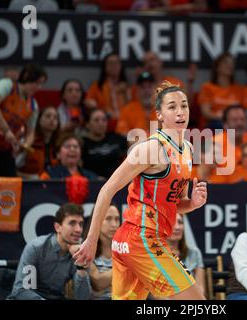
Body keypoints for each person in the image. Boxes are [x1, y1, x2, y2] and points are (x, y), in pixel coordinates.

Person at [73, 81, 208, 300]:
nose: (180, 111)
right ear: (160, 115)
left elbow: (175, 204)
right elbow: (106, 191)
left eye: (184, 105)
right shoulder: (150, 149)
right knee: (197, 303)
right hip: (141, 239)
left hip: (138, 240)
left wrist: (192, 204)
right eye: (172, 106)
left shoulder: (188, 150)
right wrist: (91, 240)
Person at [0, 63, 47, 178]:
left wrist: (24, 146)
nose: (39, 87)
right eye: (37, 83)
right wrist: (7, 131)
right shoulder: (7, 85)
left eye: (41, 84)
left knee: (9, 185)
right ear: (26, 76)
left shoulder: (33, 106)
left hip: (5, 149)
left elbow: (30, 133)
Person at [8, 203, 91, 300]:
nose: (78, 229)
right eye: (72, 223)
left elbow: (83, 297)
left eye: (81, 224)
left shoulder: (80, 252)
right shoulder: (36, 247)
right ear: (57, 227)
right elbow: (21, 290)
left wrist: (80, 266)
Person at [198, 53, 247, 129]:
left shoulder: (242, 89)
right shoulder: (207, 87)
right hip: (217, 121)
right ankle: (229, 139)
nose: (230, 65)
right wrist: (222, 116)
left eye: (232, 63)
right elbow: (206, 113)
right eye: (226, 62)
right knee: (223, 126)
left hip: (237, 121)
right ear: (217, 67)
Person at [84, 204, 121, 300]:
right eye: (108, 219)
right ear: (96, 221)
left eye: (117, 219)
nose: (114, 224)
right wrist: (129, 268)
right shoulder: (85, 250)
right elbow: (98, 282)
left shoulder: (126, 248)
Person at [85, 53, 130, 128]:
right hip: (104, 123)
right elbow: (88, 102)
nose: (114, 66)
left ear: (121, 66)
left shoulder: (128, 87)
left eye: (116, 63)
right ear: (105, 67)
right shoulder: (97, 86)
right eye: (110, 63)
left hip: (125, 123)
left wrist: (126, 94)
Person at [82, 109, 128, 179]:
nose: (101, 123)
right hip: (95, 183)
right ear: (87, 124)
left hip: (118, 181)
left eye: (104, 120)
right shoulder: (83, 143)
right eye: (96, 120)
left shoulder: (116, 138)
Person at [167, 213, 205, 294]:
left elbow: (200, 288)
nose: (177, 227)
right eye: (172, 223)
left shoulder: (194, 253)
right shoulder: (152, 254)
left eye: (180, 223)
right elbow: (154, 294)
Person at [17, 106, 60, 179]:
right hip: (31, 185)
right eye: (48, 116)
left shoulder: (59, 144)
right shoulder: (29, 142)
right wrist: (30, 177)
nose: (52, 119)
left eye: (55, 117)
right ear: (38, 119)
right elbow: (12, 171)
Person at [115, 71, 158, 139]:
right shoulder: (127, 110)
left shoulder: (164, 110)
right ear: (137, 90)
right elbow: (121, 133)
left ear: (155, 89)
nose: (146, 91)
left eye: (149, 87)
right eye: (142, 87)